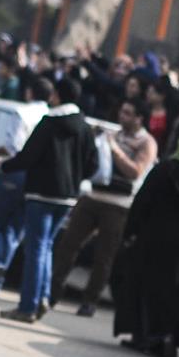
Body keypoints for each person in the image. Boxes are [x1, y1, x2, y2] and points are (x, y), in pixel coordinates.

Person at [0, 78, 98, 323]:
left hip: (41, 194)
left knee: (36, 248)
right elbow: (93, 165)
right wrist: (73, 180)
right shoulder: (84, 127)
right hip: (67, 198)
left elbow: (28, 156)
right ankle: (42, 297)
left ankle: (28, 306)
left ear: (57, 96)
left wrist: (4, 167)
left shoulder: (49, 123)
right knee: (47, 246)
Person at [112, 129, 179, 357]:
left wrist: (130, 232)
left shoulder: (164, 170)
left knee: (150, 288)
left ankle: (145, 337)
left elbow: (142, 202)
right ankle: (170, 339)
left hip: (156, 240)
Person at [51, 96, 158, 317]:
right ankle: (52, 290)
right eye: (122, 111)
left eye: (128, 113)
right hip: (93, 196)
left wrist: (114, 149)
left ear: (140, 118)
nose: (122, 116)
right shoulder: (114, 134)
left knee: (104, 256)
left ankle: (90, 300)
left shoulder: (146, 143)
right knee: (68, 244)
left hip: (118, 205)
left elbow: (135, 171)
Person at [0, 75, 54, 297]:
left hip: (16, 172)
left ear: (29, 93)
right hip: (38, 178)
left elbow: (15, 146)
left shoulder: (23, 113)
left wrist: (1, 162)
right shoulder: (51, 117)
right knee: (13, 229)